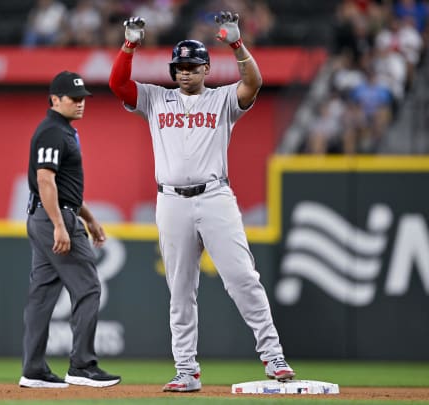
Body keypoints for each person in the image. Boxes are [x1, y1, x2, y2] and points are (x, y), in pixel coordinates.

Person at [108, 12, 295, 392]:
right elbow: (117, 83)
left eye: (192, 66)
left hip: (215, 197)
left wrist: (238, 45)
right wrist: (128, 46)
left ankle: (273, 355)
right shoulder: (156, 98)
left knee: (242, 277)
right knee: (180, 290)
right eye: (179, 67)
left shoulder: (223, 98)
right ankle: (186, 370)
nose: (185, 73)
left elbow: (253, 83)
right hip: (171, 201)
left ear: (206, 68)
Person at [19, 71, 121, 389]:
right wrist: (61, 227)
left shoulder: (61, 130)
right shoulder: (53, 132)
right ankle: (82, 366)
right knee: (88, 287)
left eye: (82, 98)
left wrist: (88, 218)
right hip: (53, 218)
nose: (80, 103)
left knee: (43, 294)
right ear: (55, 100)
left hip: (48, 215)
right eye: (73, 98)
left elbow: (65, 188)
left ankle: (33, 369)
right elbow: (46, 181)